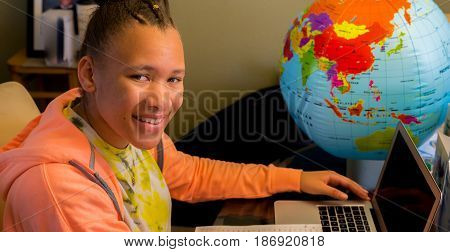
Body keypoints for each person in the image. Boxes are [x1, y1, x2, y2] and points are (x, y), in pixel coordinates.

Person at [0, 0, 369, 231]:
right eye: (140, 76)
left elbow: (189, 175)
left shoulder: (120, 128)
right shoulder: (60, 188)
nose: (162, 100)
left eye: (173, 79)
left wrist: (297, 180)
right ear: (89, 75)